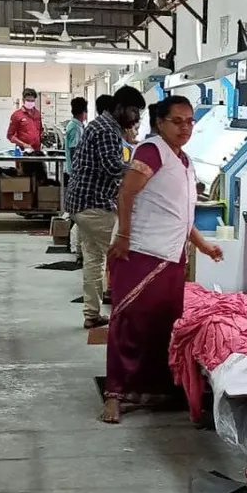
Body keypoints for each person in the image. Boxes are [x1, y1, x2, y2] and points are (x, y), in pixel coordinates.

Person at [99, 96, 220, 424]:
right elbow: (126, 193)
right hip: (141, 252)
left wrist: (204, 245)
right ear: (159, 123)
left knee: (161, 325)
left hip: (171, 257)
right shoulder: (151, 151)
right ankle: (115, 393)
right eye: (177, 121)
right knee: (129, 323)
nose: (185, 128)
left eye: (190, 121)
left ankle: (148, 389)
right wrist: (123, 236)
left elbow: (182, 215)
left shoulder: (184, 161)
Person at [67, 86, 146, 329]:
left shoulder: (102, 125)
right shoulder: (107, 130)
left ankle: (92, 314)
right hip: (94, 205)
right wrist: (144, 172)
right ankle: (130, 319)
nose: (136, 118)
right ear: (120, 108)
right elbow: (113, 168)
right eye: (134, 112)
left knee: (94, 259)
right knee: (124, 258)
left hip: (82, 203)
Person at [8, 88, 43, 153]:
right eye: (28, 100)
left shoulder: (37, 114)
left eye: (32, 101)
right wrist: (24, 145)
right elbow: (10, 136)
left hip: (37, 151)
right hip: (23, 151)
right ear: (23, 100)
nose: (30, 102)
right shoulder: (17, 115)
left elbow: (40, 130)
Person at [64, 97, 88, 186]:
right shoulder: (74, 127)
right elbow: (74, 151)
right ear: (83, 112)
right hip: (75, 171)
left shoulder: (79, 126)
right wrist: (78, 170)